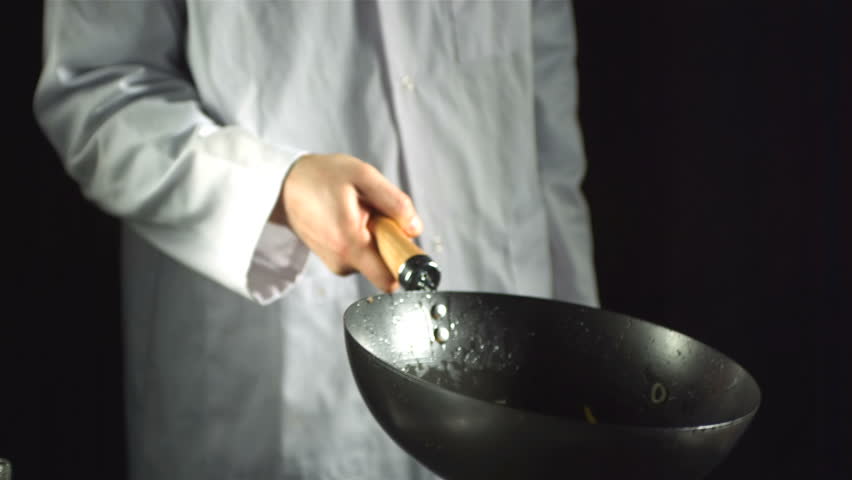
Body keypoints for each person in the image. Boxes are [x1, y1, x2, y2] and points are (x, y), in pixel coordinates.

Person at [33, 1, 598, 478]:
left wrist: (578, 363)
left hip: (506, 372)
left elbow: (549, 136)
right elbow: (95, 91)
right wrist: (275, 189)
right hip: (276, 377)